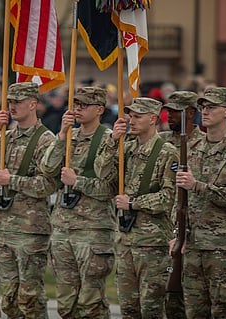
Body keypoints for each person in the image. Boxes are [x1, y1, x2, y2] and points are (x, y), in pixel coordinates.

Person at [0, 82, 56, 318]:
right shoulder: (6, 136)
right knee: (8, 299)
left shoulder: (46, 140)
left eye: (18, 102)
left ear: (33, 104)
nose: (12, 106)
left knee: (29, 298)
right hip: (3, 226)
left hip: (30, 229)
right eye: (10, 102)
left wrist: (12, 180)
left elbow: (47, 185)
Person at [95, 97, 178, 318]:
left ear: (153, 119)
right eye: (130, 115)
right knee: (129, 308)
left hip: (152, 242)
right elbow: (102, 175)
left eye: (137, 116)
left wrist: (133, 203)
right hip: (125, 240)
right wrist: (113, 140)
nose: (131, 120)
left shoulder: (166, 152)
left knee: (151, 307)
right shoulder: (126, 147)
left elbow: (168, 197)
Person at [175, 87, 226, 318]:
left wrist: (197, 185)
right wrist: (177, 234)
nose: (205, 112)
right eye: (202, 107)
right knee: (194, 312)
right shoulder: (191, 148)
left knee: (224, 312)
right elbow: (179, 200)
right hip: (193, 246)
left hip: (224, 248)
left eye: (211, 107)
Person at [40, 87, 117, 318]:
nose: (78, 109)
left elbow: (109, 188)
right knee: (65, 302)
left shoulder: (109, 140)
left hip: (93, 229)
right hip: (64, 227)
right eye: (76, 104)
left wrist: (77, 181)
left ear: (100, 109)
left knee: (91, 302)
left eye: (84, 105)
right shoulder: (69, 137)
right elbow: (47, 169)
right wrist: (62, 135)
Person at [159, 90, 203, 319]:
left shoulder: (204, 146)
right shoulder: (161, 142)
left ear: (191, 113)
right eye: (168, 111)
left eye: (176, 111)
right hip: (164, 229)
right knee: (169, 299)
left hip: (194, 232)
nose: (170, 116)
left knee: (196, 302)